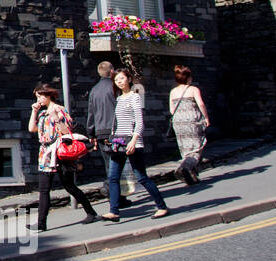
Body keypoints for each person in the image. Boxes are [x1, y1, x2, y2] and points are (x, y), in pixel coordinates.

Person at [100, 67, 171, 221]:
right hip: (119, 142)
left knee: (142, 177)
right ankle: (114, 211)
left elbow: (139, 122)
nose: (119, 82)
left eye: (122, 79)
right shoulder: (118, 98)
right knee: (113, 177)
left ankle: (162, 207)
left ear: (129, 79)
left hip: (133, 142)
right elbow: (118, 123)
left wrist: (134, 140)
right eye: (116, 80)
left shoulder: (135, 97)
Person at [28, 82, 98, 230]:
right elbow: (32, 129)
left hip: (59, 152)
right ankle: (41, 223)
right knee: (44, 189)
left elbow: (67, 132)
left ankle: (91, 212)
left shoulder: (59, 110)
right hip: (45, 154)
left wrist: (57, 119)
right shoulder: (41, 112)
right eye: (37, 97)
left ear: (48, 95)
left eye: (40, 96)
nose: (38, 100)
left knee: (70, 186)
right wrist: (34, 112)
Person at [86, 60, 131, 208]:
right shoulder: (115, 87)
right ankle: (111, 191)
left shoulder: (94, 90)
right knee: (120, 163)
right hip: (116, 131)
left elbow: (91, 114)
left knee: (109, 164)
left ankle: (116, 199)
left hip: (100, 133)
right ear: (112, 72)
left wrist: (90, 133)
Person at [168, 64, 210, 184]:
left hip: (178, 123)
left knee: (185, 149)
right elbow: (201, 104)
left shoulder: (173, 91)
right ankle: (183, 168)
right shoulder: (193, 89)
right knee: (197, 148)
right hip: (193, 121)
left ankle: (193, 176)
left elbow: (171, 110)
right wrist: (206, 118)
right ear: (188, 77)